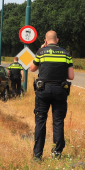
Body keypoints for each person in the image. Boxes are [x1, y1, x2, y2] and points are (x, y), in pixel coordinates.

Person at [27, 31, 74, 160]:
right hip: (60, 90)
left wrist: (40, 49)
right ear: (57, 40)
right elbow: (71, 76)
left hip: (43, 91)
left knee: (41, 121)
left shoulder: (41, 52)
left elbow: (32, 68)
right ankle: (57, 153)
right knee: (58, 121)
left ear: (46, 41)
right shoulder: (66, 54)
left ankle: (37, 155)